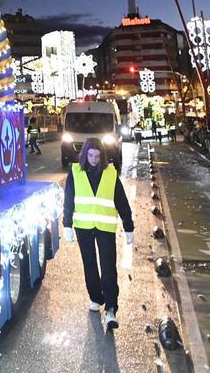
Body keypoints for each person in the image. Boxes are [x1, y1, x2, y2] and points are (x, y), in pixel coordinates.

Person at [62, 137, 134, 330]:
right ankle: (95, 297)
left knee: (108, 268)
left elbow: (122, 201)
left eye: (97, 155)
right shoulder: (76, 171)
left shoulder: (110, 173)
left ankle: (111, 309)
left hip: (105, 227)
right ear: (84, 155)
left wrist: (129, 226)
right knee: (90, 265)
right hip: (83, 227)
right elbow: (69, 199)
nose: (94, 159)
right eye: (90, 155)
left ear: (102, 155)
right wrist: (67, 224)